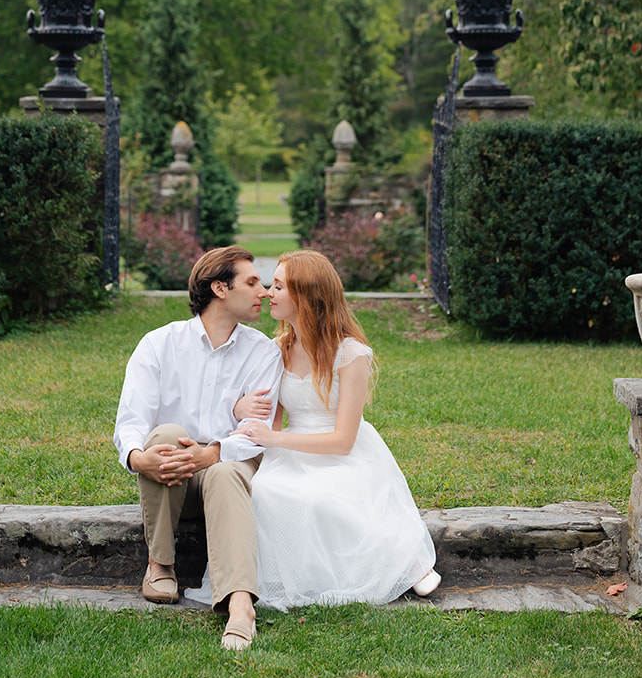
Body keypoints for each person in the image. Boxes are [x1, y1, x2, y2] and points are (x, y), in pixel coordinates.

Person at [232, 249, 441, 609]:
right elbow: (272, 416)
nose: (268, 292)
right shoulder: (277, 349)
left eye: (279, 286)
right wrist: (245, 414)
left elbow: (344, 440)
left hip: (341, 452)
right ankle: (297, 576)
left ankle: (403, 562)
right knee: (265, 492)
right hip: (288, 452)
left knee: (322, 498)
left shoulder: (350, 353)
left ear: (306, 295)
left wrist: (275, 438)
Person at [113, 244, 283, 650]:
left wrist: (212, 451)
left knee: (223, 469)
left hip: (229, 473)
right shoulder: (159, 344)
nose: (264, 292)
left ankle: (240, 606)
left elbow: (254, 431)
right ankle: (160, 565)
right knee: (166, 435)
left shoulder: (263, 352)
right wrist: (138, 459)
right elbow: (132, 420)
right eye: (252, 282)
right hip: (171, 477)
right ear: (220, 288)